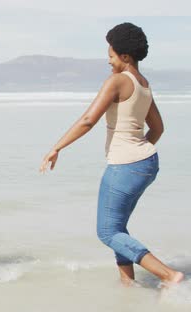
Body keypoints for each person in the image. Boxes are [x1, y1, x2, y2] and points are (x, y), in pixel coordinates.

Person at [40, 23, 184, 285]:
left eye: (111, 55)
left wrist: (56, 147)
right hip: (146, 163)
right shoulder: (143, 84)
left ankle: (169, 275)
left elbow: (87, 120)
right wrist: (140, 152)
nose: (108, 61)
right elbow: (158, 128)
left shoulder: (118, 81)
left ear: (125, 57)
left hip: (126, 165)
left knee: (106, 231)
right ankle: (127, 282)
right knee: (117, 228)